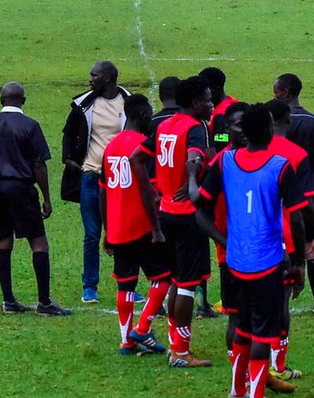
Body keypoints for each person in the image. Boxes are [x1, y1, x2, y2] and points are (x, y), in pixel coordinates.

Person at [194, 104, 309, 398]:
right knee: (261, 335)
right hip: (267, 263)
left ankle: (237, 394)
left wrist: (223, 239)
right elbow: (296, 218)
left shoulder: (225, 162)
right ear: (270, 131)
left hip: (234, 263)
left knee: (241, 329)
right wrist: (299, 262)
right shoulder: (280, 167)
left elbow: (199, 207)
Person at [0, 82, 70, 317]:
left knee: (3, 241)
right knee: (38, 243)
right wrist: (46, 198)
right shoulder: (30, 125)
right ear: (23, 101)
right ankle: (44, 303)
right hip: (21, 188)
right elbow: (39, 165)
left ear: (1, 101)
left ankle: (8, 300)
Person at [146, 76, 214, 367]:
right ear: (195, 103)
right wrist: (190, 181)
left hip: (166, 211)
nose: (211, 105)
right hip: (187, 215)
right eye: (208, 100)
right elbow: (194, 158)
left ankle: (176, 345)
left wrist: (156, 191)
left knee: (176, 279)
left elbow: (139, 157)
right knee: (187, 284)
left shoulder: (165, 125)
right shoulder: (196, 127)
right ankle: (182, 353)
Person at [100, 94, 171, 356]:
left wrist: (107, 229)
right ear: (141, 116)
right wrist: (156, 227)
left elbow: (103, 191)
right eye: (149, 115)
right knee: (163, 278)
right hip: (142, 225)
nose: (151, 119)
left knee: (125, 284)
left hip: (118, 227)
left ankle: (125, 341)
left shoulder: (111, 147)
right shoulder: (143, 147)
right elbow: (150, 190)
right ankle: (142, 327)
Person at [265, 98, 314, 386]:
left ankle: (247, 373)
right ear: (288, 120)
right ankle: (277, 365)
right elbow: (303, 204)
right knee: (281, 303)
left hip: (250, 241)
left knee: (250, 308)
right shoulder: (296, 154)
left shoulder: (245, 151)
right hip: (285, 240)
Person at [62, 61, 130, 304]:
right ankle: (89, 286)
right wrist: (68, 158)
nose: (90, 79)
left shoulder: (128, 102)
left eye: (95, 75)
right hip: (91, 175)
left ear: (108, 78)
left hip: (119, 178)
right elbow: (68, 132)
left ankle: (126, 283)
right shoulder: (84, 103)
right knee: (92, 234)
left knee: (121, 232)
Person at [275, 73, 314, 316]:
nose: (274, 97)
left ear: (286, 93)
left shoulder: (275, 124)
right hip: (309, 192)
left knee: (284, 242)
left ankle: (281, 296)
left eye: (276, 93)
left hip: (281, 194)